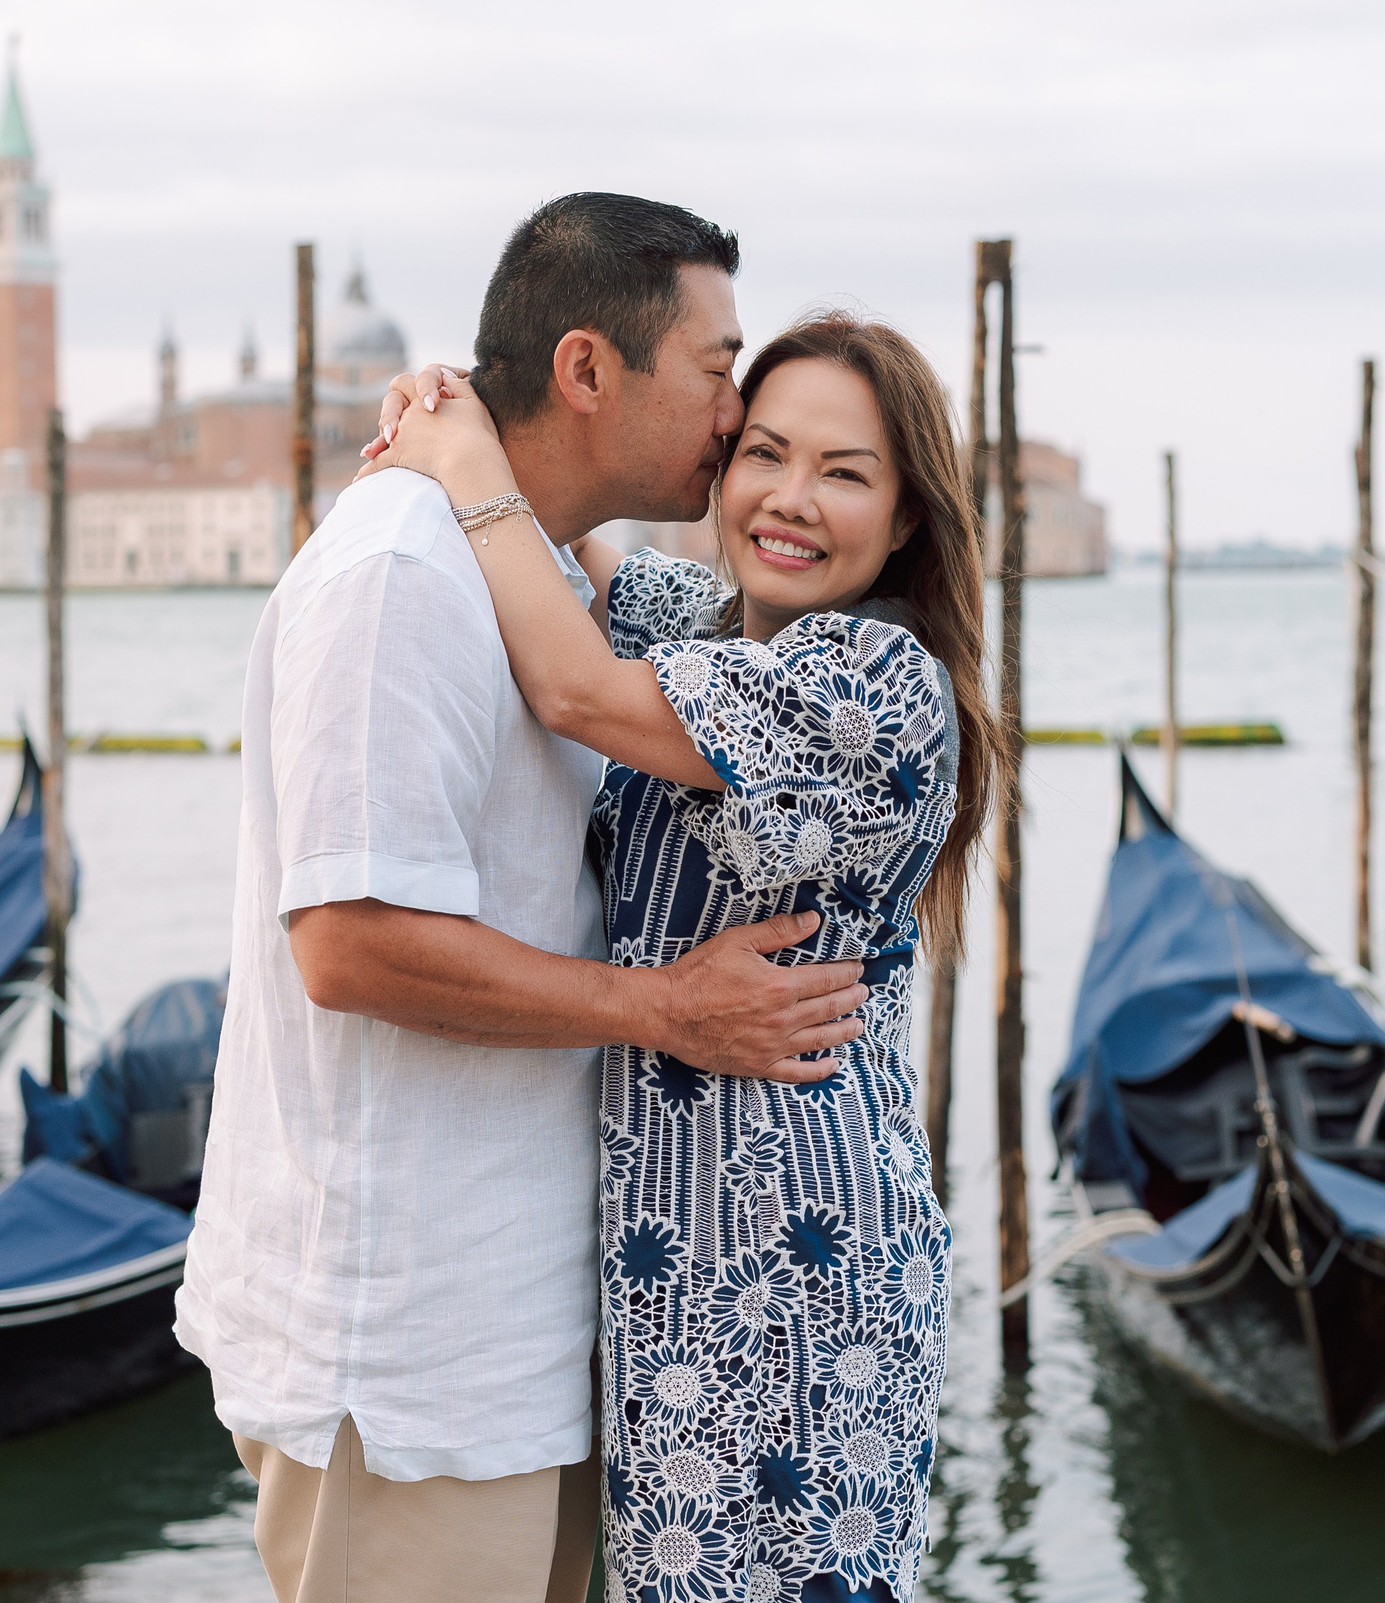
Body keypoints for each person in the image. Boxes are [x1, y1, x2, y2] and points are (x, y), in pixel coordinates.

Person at [174, 195, 877, 1603]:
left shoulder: (536, 570)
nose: (733, 417)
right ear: (587, 370)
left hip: (511, 1344)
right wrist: (667, 1009)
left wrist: (467, 444)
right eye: (716, 367)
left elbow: (589, 665)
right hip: (403, 1353)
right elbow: (352, 945)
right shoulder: (401, 575)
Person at [369, 309, 993, 1601]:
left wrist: (467, 466)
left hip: (798, 1261)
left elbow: (577, 693)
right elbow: (575, 556)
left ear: (909, 516)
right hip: (671, 1255)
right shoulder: (701, 628)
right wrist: (459, 407)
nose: (791, 499)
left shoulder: (876, 683)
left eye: (846, 472)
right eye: (763, 452)